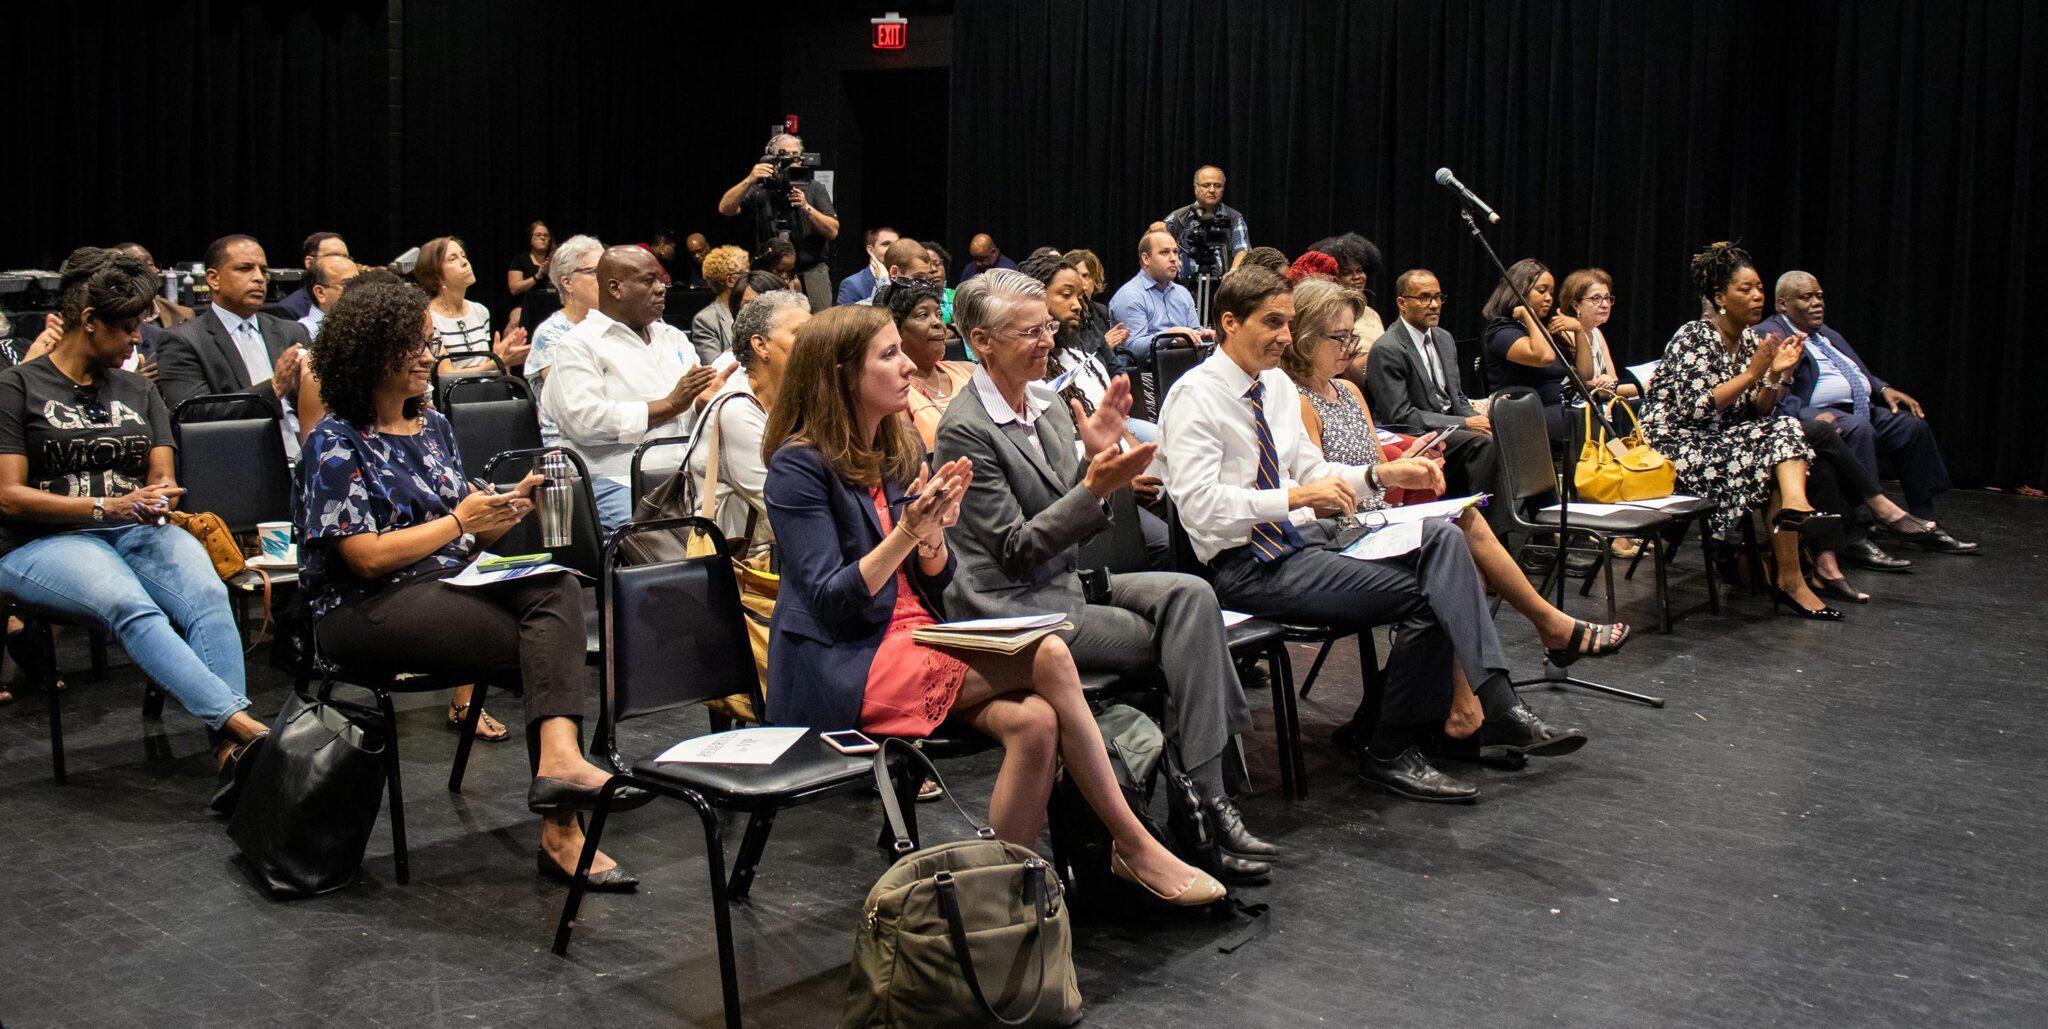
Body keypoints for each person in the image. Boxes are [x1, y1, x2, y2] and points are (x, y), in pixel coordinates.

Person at [762, 304, 1223, 905]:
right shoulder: (797, 466)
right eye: (889, 355)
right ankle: (1133, 844)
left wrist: (930, 544)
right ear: (841, 374)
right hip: (844, 660)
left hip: (916, 636)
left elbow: (933, 583)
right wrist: (907, 536)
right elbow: (829, 601)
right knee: (1051, 656)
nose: (908, 366)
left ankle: (1004, 899)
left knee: (1034, 722)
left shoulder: (894, 448)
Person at [1156, 266, 1597, 803]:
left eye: (1290, 323)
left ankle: (1482, 707)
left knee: (1440, 534)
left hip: (1303, 545)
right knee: (1432, 595)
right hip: (1247, 567)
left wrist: (1380, 476)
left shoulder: (1271, 385)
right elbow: (1201, 509)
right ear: (1229, 322)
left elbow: (1312, 468)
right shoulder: (1194, 397)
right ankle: (1396, 743)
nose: (1285, 337)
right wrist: (1294, 498)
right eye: (1272, 323)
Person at [296, 277, 653, 891]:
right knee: (545, 647)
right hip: (362, 609)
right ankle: (561, 825)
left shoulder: (431, 425)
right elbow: (364, 559)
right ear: (367, 352)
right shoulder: (335, 442)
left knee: (557, 585)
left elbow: (463, 526)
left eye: (429, 345)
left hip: (441, 583)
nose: (427, 358)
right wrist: (461, 521)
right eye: (412, 347)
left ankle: (561, 770)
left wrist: (502, 511)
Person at [936, 269, 1275, 878]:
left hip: (1062, 584)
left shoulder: (1044, 405)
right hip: (1011, 608)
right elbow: (1015, 550)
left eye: (1048, 326)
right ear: (981, 341)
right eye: (1029, 331)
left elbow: (1069, 518)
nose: (1047, 340)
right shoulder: (966, 427)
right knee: (1179, 641)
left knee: (1191, 596)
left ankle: (1205, 793)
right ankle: (1203, 806)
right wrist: (1093, 483)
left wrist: (1092, 464)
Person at [1289, 276, 1627, 729]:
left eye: (1353, 335)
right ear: (1306, 338)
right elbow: (1319, 493)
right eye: (1341, 337)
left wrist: (1408, 458)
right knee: (1458, 555)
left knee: (1464, 519)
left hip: (1376, 514)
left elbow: (1374, 469)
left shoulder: (1349, 392)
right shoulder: (1296, 400)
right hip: (1344, 531)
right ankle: (1518, 661)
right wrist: (1387, 474)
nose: (1351, 347)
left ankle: (1473, 702)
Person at [0, 248, 269, 800]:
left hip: (137, 528)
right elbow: (8, 497)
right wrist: (106, 508)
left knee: (208, 597)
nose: (136, 343)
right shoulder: (18, 386)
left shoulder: (139, 389)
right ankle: (244, 727)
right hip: (44, 540)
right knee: (130, 604)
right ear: (89, 321)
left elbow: (161, 474)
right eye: (125, 329)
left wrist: (158, 501)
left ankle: (231, 754)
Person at [1638, 243, 1842, 619]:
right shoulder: (1693, 336)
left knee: (1781, 428)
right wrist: (1752, 373)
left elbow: (1757, 410)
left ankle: (1791, 553)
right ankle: (1791, 570)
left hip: (1720, 444)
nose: (1756, 296)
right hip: (1677, 449)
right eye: (1745, 289)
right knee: (1781, 440)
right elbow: (1696, 408)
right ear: (1720, 298)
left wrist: (1777, 374)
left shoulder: (1750, 341)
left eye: (1760, 288)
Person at [1765, 271, 1975, 556]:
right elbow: (1776, 391)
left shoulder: (1827, 334)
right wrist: (1810, 414)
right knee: (1858, 429)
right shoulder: (1770, 333)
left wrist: (1882, 387)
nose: (1817, 303)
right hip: (1819, 415)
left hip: (1860, 408)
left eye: (1820, 296)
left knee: (1911, 426)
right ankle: (1858, 533)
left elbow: (1851, 368)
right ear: (1782, 304)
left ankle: (1923, 518)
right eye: (1806, 297)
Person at [542, 246, 726, 531]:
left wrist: (706, 401)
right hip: (619, 481)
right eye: (648, 281)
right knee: (672, 541)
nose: (661, 289)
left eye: (661, 280)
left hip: (686, 475)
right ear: (615, 288)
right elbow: (585, 422)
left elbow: (690, 404)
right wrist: (670, 404)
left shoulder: (673, 338)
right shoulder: (578, 345)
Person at [1367, 269, 1503, 525]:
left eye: (1438, 297)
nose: (1434, 305)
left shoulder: (1444, 338)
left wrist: (1477, 420)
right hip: (1414, 431)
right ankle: (1487, 528)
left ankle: (1534, 527)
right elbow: (1400, 415)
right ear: (1402, 303)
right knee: (1484, 445)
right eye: (1424, 298)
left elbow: (1457, 397)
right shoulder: (1387, 349)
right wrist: (1465, 424)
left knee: (1502, 434)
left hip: (1449, 427)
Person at [157, 234, 309, 449]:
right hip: (235, 459)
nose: (259, 278)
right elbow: (192, 415)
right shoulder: (183, 341)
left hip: (301, 455)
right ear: (213, 278)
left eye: (263, 270)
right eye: (245, 268)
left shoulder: (291, 331)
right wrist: (272, 389)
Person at [687, 291, 810, 553]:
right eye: (801, 334)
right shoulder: (736, 410)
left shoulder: (798, 396)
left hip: (782, 549)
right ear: (761, 345)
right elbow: (785, 504)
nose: (815, 342)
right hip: (747, 565)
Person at [716, 133, 840, 311]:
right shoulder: (761, 190)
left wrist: (806, 207)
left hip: (810, 269)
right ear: (773, 159)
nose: (793, 160)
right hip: (769, 273)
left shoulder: (813, 188)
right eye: (787, 155)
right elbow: (726, 208)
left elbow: (833, 231)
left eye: (797, 155)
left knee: (821, 326)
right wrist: (750, 179)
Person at [1480, 258, 1591, 442]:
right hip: (1525, 416)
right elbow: (1543, 357)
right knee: (1588, 423)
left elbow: (1585, 375)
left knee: (1615, 414)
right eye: (1541, 291)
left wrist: (1579, 330)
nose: (1548, 298)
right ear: (1519, 291)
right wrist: (1527, 313)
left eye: (1551, 292)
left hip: (1558, 410)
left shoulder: (1546, 332)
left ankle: (1626, 465)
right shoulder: (1501, 330)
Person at [525, 234, 604, 447]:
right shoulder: (551, 333)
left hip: (612, 434)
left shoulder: (614, 325)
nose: (607, 279)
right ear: (568, 282)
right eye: (596, 272)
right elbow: (571, 395)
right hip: (567, 443)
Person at [876, 276, 972, 449]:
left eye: (939, 314)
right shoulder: (896, 393)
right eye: (923, 315)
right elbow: (909, 459)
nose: (938, 323)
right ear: (896, 330)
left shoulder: (970, 371)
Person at [414, 236, 528, 374]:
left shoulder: (480, 311)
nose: (464, 262)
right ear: (436, 275)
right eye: (453, 258)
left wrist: (498, 357)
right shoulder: (429, 317)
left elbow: (482, 368)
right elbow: (445, 374)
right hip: (452, 394)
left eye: (463, 255)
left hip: (484, 390)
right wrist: (498, 361)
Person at [1109, 229, 1212, 361]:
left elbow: (1193, 332)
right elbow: (1132, 349)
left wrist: (1204, 335)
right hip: (1144, 374)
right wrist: (1170, 334)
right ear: (1146, 259)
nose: (1173, 259)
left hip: (1181, 368)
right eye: (1165, 252)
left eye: (1175, 252)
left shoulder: (1183, 294)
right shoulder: (1129, 296)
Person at [1555, 269, 1636, 401]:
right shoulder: (1567, 334)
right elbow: (1584, 387)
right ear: (1576, 305)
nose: (1605, 305)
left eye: (1607, 298)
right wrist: (1640, 387)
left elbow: (1613, 379)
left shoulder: (1596, 333)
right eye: (1596, 298)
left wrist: (1608, 379)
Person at [1164, 165, 1250, 282]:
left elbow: (1243, 250)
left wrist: (1233, 272)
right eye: (1206, 185)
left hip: (1222, 288)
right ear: (1195, 188)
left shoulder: (1234, 218)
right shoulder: (1178, 217)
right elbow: (1156, 247)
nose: (1212, 190)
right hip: (1182, 288)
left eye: (1217, 186)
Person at [689, 245, 752, 363]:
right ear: (730, 281)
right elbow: (714, 365)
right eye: (745, 275)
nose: (750, 280)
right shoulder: (705, 320)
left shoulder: (751, 309)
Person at [273, 232, 350, 321]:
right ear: (310, 263)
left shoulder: (359, 299)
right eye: (333, 256)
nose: (342, 262)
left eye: (345, 257)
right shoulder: (289, 309)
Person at [505, 220, 558, 332]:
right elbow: (514, 289)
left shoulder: (556, 260)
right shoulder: (520, 260)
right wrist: (537, 276)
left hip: (552, 303)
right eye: (538, 235)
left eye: (546, 235)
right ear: (530, 239)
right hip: (524, 305)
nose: (542, 238)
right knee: (515, 321)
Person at [296, 253, 359, 340]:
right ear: (320, 293)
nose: (358, 290)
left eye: (358, 283)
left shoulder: (360, 326)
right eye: (348, 284)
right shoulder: (301, 333)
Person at [837, 226, 900, 306]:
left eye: (896, 245)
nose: (892, 249)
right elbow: (845, 318)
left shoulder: (906, 279)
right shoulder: (852, 284)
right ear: (870, 250)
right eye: (886, 244)